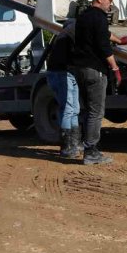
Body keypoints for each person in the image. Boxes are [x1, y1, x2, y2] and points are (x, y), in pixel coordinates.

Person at [69, 0, 127, 165]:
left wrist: (119, 40)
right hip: (95, 70)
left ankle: (80, 144)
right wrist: (115, 68)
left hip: (80, 69)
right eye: (110, 0)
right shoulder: (100, 17)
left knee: (86, 110)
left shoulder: (83, 16)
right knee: (96, 112)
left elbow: (100, 34)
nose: (110, 5)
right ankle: (91, 152)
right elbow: (103, 46)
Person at [45, 20, 81, 159]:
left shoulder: (64, 36)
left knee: (73, 108)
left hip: (65, 73)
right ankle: (67, 147)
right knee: (68, 108)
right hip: (61, 74)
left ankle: (74, 143)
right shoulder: (67, 37)